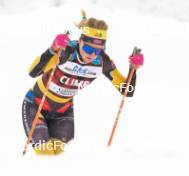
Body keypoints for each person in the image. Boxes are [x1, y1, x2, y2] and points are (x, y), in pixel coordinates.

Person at [22, 13, 144, 156]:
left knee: (60, 156)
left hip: (63, 111)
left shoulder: (102, 62)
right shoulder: (66, 52)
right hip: (37, 105)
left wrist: (133, 70)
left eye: (97, 50)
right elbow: (33, 72)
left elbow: (126, 91)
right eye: (88, 49)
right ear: (80, 42)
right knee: (46, 153)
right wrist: (52, 49)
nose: (92, 54)